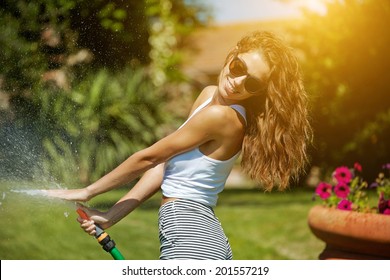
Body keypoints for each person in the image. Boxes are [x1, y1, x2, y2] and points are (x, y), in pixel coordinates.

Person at [45, 31, 312, 260]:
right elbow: (163, 164)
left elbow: (148, 157)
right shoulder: (209, 96)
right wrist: (111, 215)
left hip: (192, 239)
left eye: (251, 82)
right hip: (196, 234)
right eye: (239, 68)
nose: (237, 82)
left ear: (258, 92)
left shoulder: (223, 118)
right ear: (233, 55)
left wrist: (88, 191)